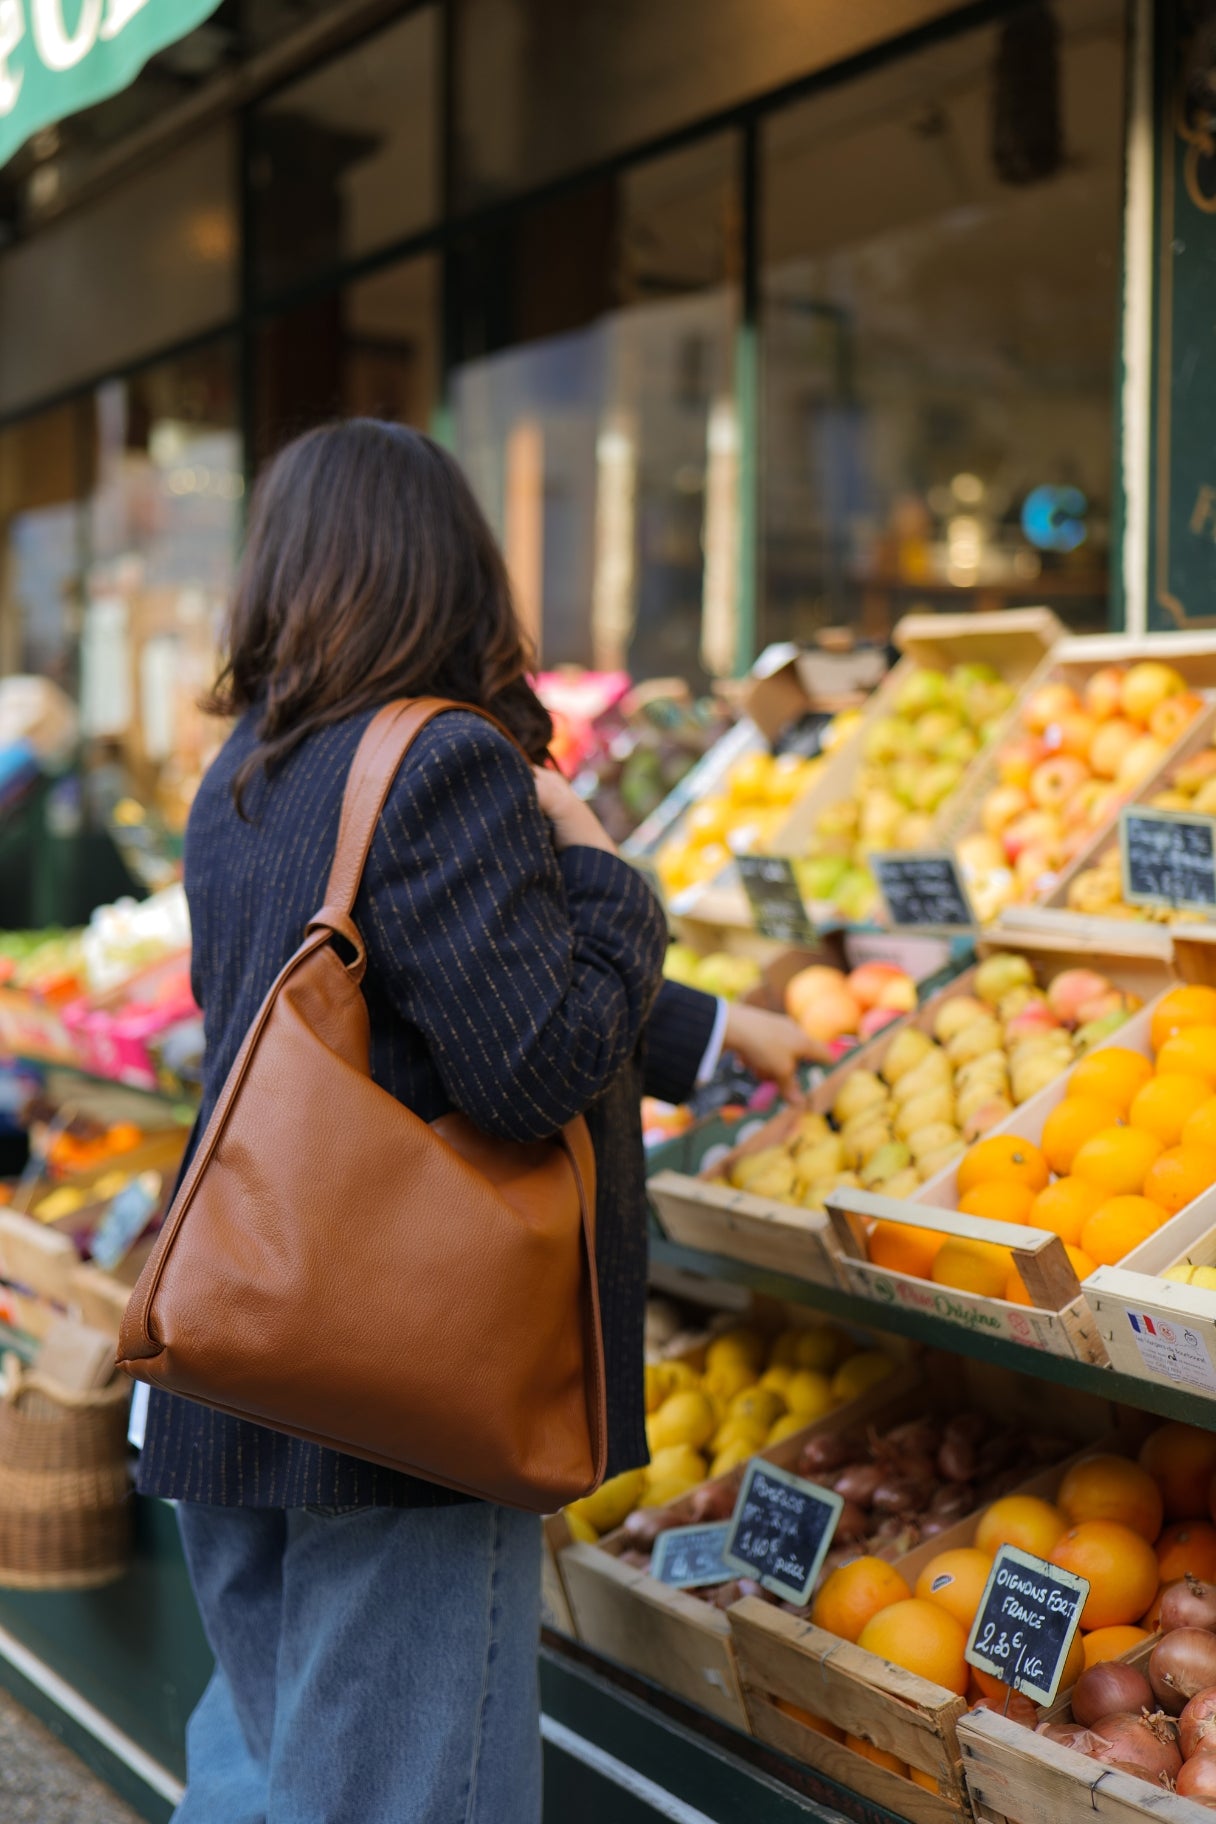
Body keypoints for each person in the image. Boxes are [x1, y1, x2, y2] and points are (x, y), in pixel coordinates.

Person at [138, 419, 823, 1824]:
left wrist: (701, 1030)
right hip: (399, 1395)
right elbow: (524, 1064)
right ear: (451, 566)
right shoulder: (443, 760)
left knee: (266, 1778)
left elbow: (408, 988)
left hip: (251, 1344)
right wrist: (610, 877)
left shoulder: (251, 770)